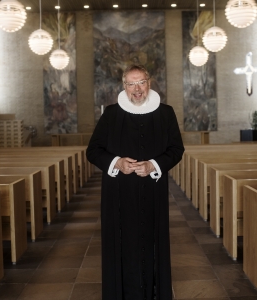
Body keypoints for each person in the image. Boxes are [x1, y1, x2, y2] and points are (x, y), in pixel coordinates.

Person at [86, 65, 184, 300]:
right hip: (118, 195)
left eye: (141, 82)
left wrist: (153, 165)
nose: (137, 89)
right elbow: (93, 150)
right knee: (122, 246)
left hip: (153, 192)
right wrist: (116, 162)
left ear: (149, 83)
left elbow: (176, 149)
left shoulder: (166, 112)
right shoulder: (111, 114)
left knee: (152, 245)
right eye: (131, 84)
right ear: (124, 87)